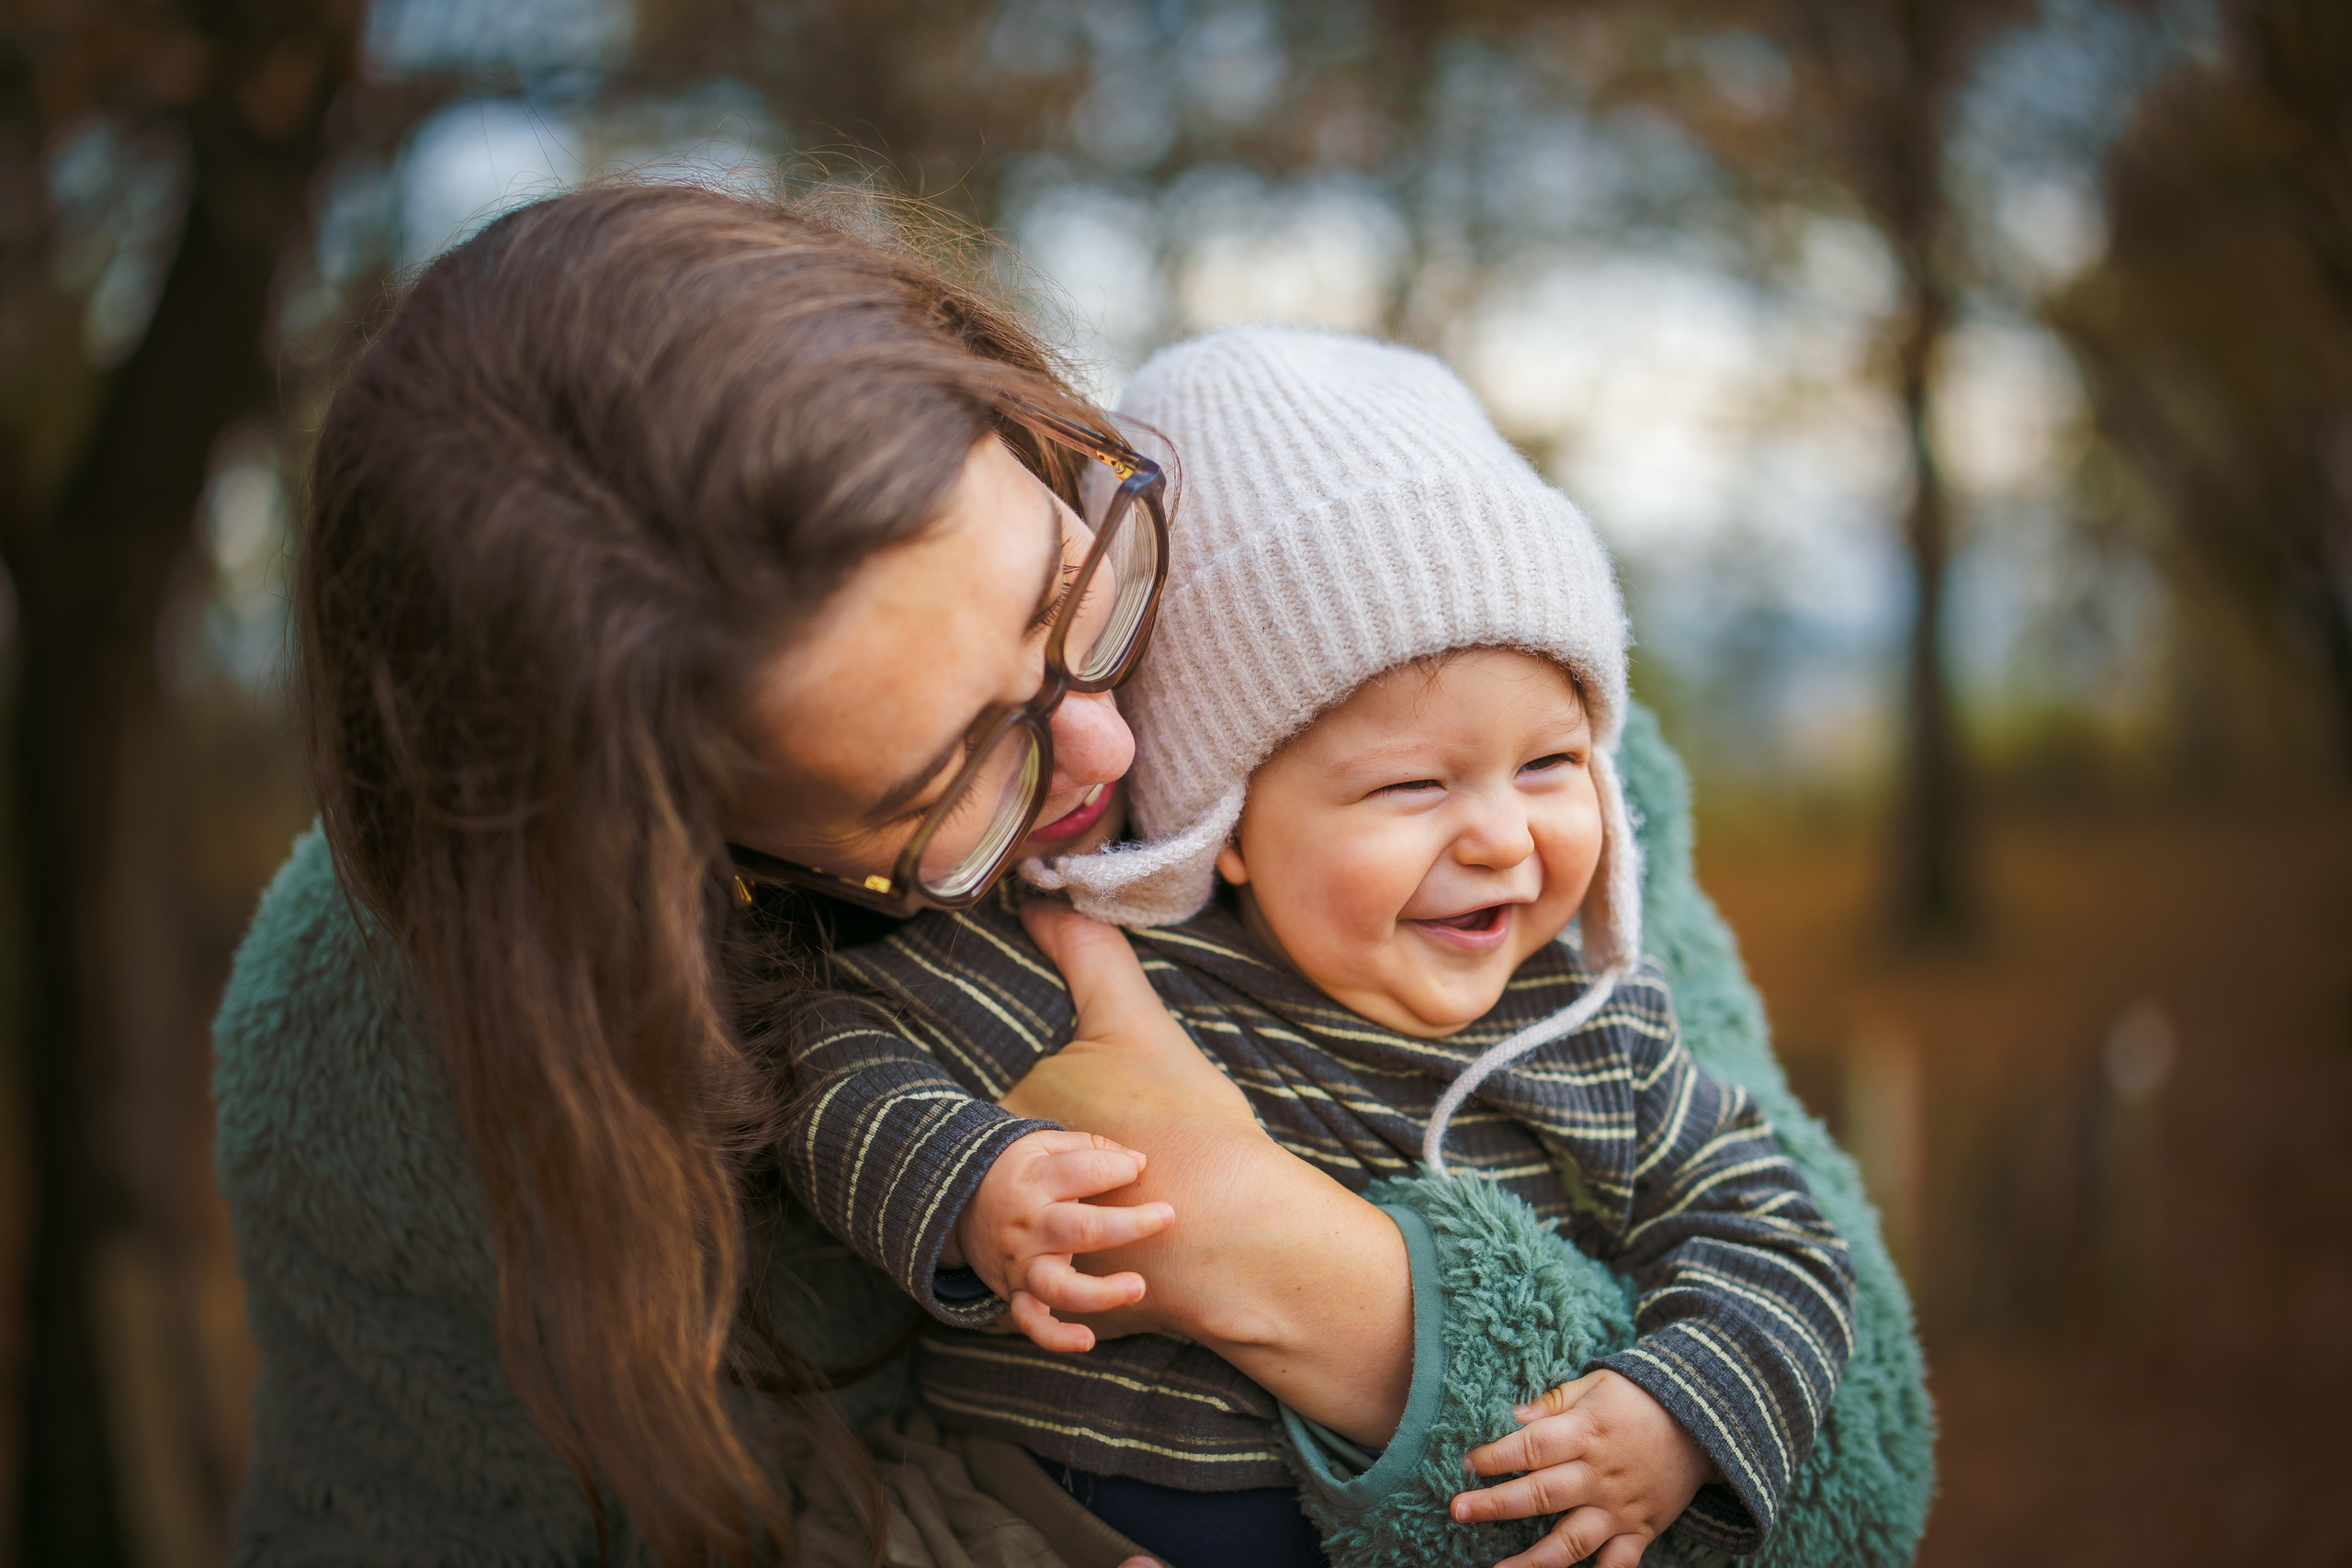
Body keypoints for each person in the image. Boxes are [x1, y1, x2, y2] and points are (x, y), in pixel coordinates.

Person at [211, 179, 1932, 1568]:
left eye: (1072, 592)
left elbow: (1859, 1480)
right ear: (676, 869)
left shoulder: (1452, 712)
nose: (1111, 750)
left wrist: (1276, 1251)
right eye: (951, 770)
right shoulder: (379, 1061)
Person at [780, 328, 1857, 1568]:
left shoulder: (1603, 1039)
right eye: (1413, 785)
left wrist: (1682, 1412)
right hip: (1008, 1524)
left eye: (1553, 763)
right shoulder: (1100, 963)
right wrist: (969, 1184)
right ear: (1229, 822)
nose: (1504, 837)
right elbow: (833, 1049)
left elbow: (1778, 1238)